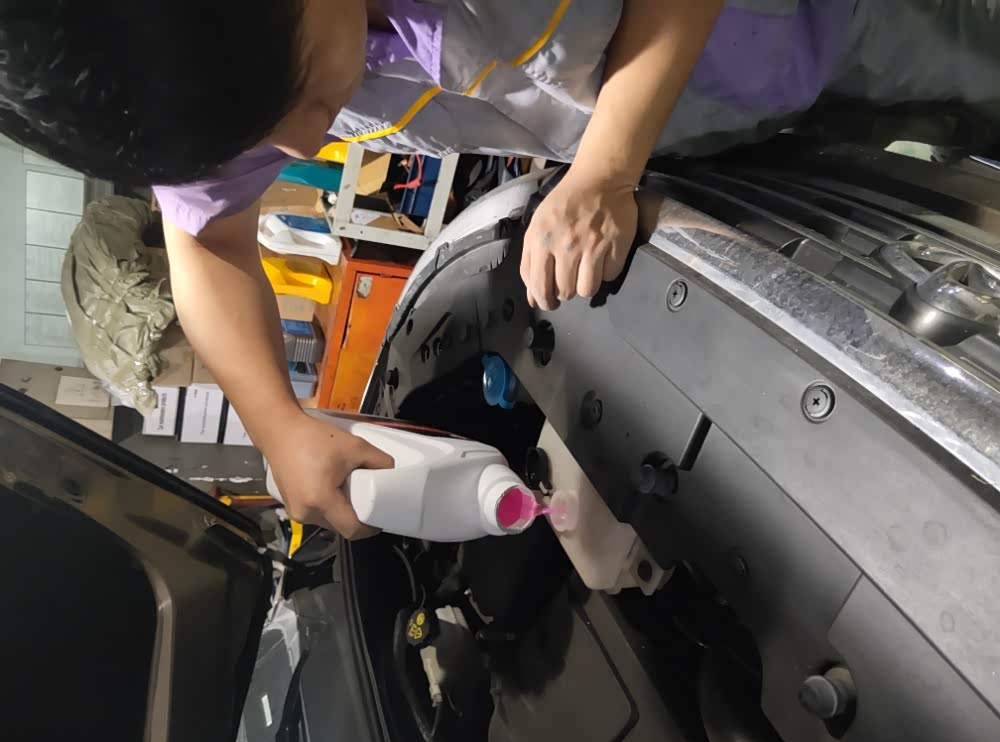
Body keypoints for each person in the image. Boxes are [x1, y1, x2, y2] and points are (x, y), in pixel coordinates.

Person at [1, 0, 997, 538]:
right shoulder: (206, 64)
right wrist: (278, 426)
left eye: (300, 93)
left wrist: (604, 171)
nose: (299, 143)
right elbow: (206, 243)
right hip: (709, 148)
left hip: (824, 26)